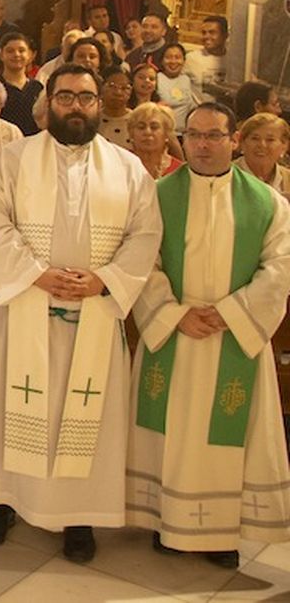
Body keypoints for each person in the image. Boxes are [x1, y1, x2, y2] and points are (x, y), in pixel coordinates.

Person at [0, 64, 161, 563]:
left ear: (100, 105)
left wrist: (105, 281)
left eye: (86, 98)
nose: (76, 106)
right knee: (9, 408)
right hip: (26, 303)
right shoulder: (13, 158)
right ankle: (2, 502)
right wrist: (36, 274)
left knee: (85, 415)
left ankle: (80, 515)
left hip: (95, 312)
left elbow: (145, 235)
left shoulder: (127, 167)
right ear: (47, 102)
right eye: (66, 97)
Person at [128, 102, 290, 567]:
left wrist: (231, 313)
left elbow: (279, 269)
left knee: (223, 439)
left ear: (233, 140)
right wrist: (175, 314)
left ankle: (222, 534)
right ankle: (165, 520)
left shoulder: (267, 202)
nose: (203, 144)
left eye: (214, 135)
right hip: (175, 331)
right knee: (172, 430)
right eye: (194, 135)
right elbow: (143, 261)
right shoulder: (157, 195)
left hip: (234, 337)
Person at [237, 112, 290, 196]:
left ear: (284, 146)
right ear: (242, 143)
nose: (262, 145)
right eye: (255, 138)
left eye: (270, 140)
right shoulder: (226, 176)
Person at [129, 102, 183, 179]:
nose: (147, 132)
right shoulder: (120, 163)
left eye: (154, 127)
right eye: (141, 127)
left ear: (166, 134)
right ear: (131, 133)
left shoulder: (179, 171)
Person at [155, 42, 198, 124]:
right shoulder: (156, 78)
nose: (173, 61)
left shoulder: (186, 80)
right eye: (168, 57)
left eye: (177, 57)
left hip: (184, 132)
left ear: (184, 61)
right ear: (162, 61)